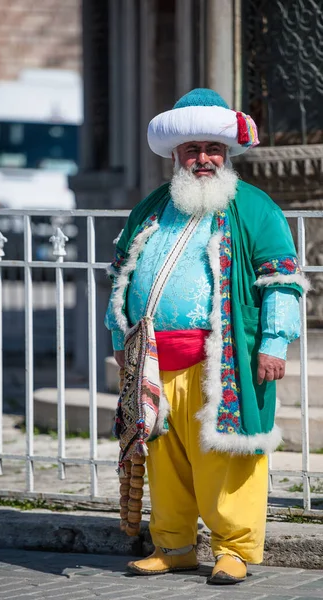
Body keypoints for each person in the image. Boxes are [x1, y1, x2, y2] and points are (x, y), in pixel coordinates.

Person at [105, 88, 308, 584]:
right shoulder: (152, 208)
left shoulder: (255, 208)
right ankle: (172, 545)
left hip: (226, 358)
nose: (202, 159)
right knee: (165, 458)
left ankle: (234, 549)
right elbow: (121, 275)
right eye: (192, 150)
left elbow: (280, 277)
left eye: (212, 149)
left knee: (227, 454)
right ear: (176, 154)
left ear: (227, 153)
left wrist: (274, 343)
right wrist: (119, 336)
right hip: (155, 360)